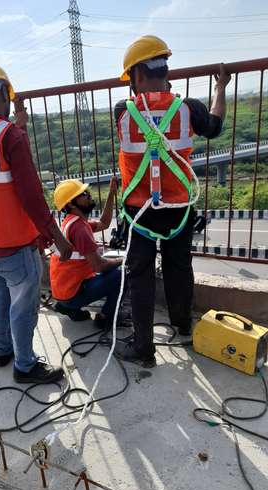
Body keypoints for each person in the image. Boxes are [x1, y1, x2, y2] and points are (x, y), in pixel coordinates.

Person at [114, 35, 231, 368]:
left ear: (136, 75)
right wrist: (220, 89)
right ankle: (182, 324)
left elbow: (141, 114)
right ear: (165, 70)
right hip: (178, 210)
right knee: (179, 266)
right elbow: (216, 124)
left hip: (140, 213)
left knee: (140, 275)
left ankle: (143, 348)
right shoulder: (188, 109)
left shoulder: (123, 111)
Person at [0, 62, 72, 384]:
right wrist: (58, 238)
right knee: (23, 307)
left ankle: (3, 351)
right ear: (5, 95)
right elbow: (32, 196)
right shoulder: (10, 136)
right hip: (16, 246)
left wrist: (17, 128)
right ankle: (25, 364)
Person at [50, 178, 125, 330]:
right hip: (72, 294)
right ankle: (106, 317)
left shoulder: (72, 221)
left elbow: (104, 223)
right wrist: (123, 259)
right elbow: (99, 266)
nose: (88, 195)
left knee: (110, 265)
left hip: (63, 292)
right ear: (71, 204)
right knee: (123, 272)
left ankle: (67, 306)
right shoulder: (80, 229)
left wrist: (111, 194)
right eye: (83, 194)